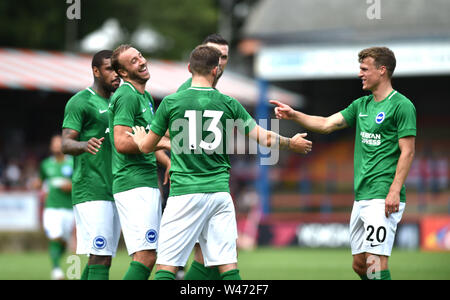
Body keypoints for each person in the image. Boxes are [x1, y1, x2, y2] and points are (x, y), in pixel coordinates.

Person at [126, 45, 312, 280]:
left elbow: (145, 147)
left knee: (167, 267)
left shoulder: (171, 103)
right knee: (227, 266)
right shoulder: (229, 103)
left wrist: (141, 137)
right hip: (219, 194)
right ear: (216, 71)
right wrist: (290, 143)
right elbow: (264, 137)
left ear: (188, 68)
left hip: (185, 193)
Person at [270, 46, 416, 280]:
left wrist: (395, 190)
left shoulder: (402, 106)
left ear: (382, 70)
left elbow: (407, 152)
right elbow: (327, 123)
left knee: (375, 264)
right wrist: (294, 115)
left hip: (382, 196)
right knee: (359, 265)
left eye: (364, 69)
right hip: (361, 196)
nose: (360, 74)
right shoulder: (361, 105)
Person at [109, 44, 171, 280]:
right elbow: (122, 142)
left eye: (140, 56)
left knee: (143, 255)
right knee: (147, 256)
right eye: (133, 61)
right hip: (133, 184)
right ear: (123, 73)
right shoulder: (126, 95)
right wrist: (166, 144)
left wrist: (166, 161)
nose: (142, 61)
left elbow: (148, 138)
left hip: (144, 182)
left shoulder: (143, 96)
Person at [62, 50, 121, 280]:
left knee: (102, 255)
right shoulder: (81, 102)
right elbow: (66, 143)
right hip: (91, 187)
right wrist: (84, 144)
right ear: (96, 71)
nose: (116, 74)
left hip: (115, 187)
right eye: (109, 69)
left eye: (118, 69)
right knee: (101, 255)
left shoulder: (119, 101)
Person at [177, 33, 229, 281]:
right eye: (215, 55)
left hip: (211, 184)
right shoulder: (187, 92)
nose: (220, 62)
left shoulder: (215, 93)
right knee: (217, 256)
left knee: (208, 255)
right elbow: (165, 136)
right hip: (191, 184)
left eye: (224, 57)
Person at [34, 134, 74, 280]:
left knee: (63, 241)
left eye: (59, 143)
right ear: (51, 147)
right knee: (54, 236)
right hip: (51, 207)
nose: (56, 146)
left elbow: (79, 182)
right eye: (54, 144)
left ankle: (57, 259)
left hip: (68, 208)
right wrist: (37, 184)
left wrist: (71, 186)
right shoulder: (45, 164)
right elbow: (40, 180)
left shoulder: (72, 163)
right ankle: (56, 270)